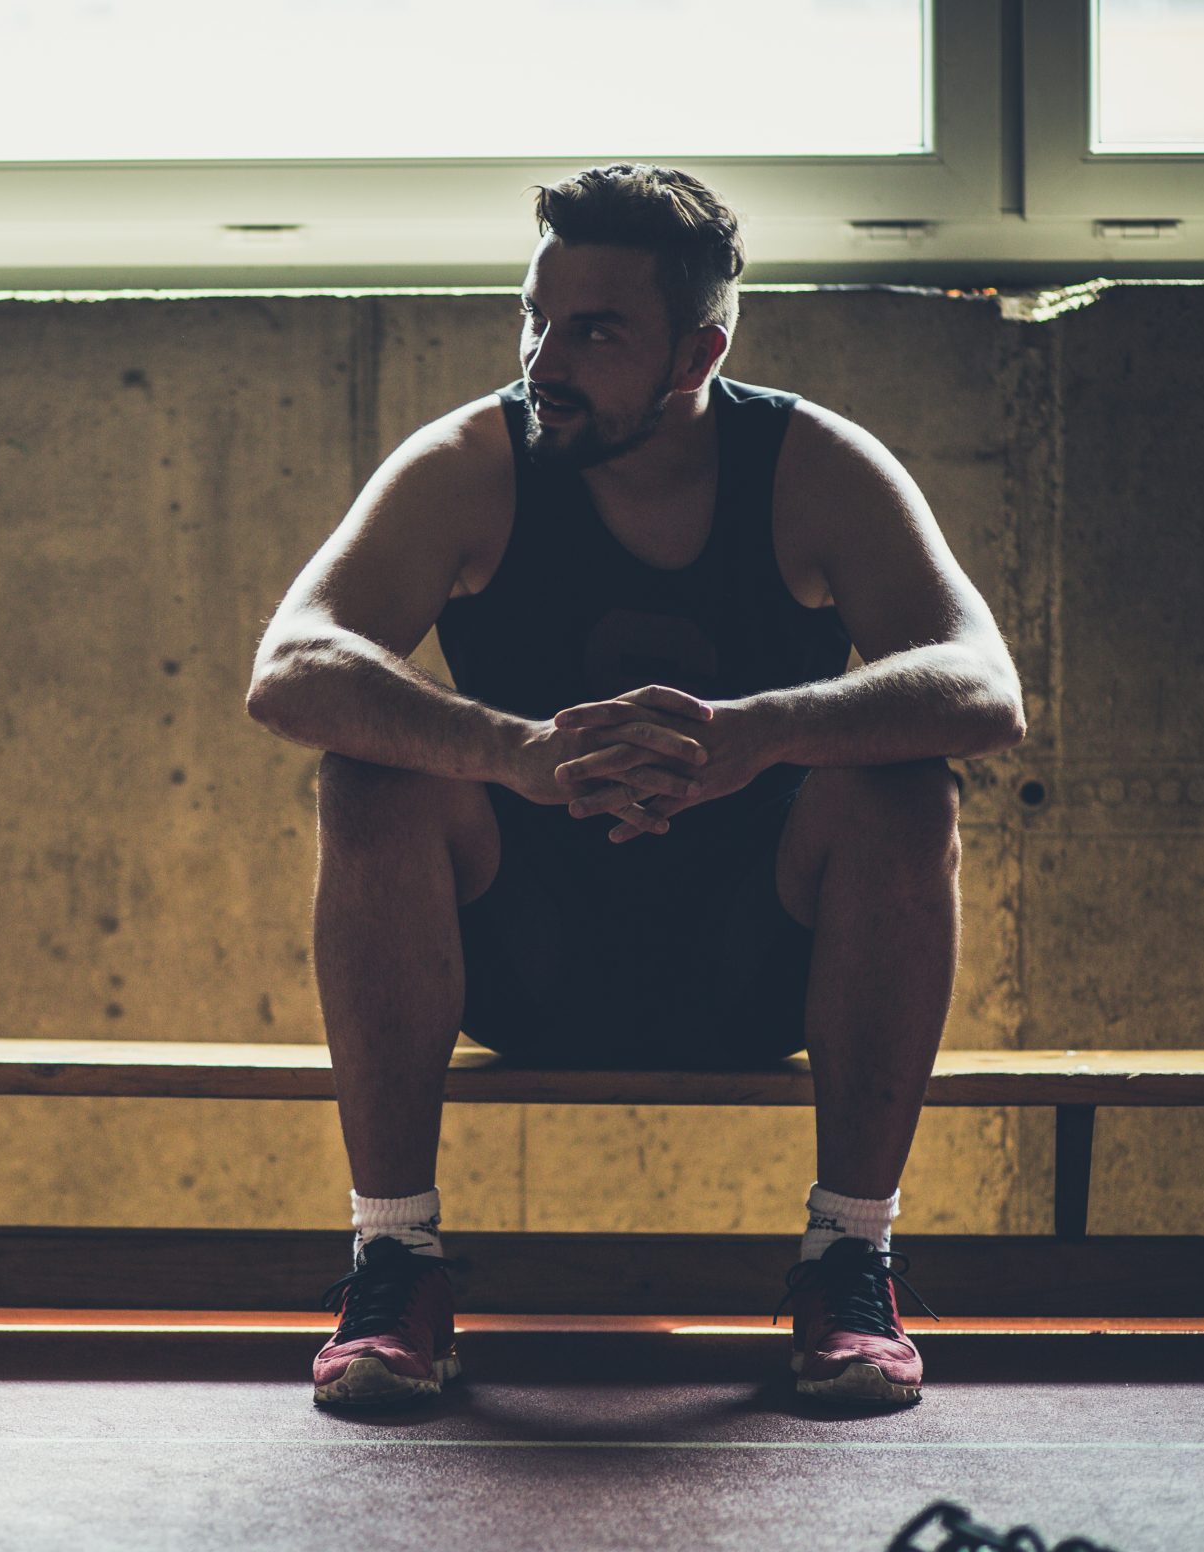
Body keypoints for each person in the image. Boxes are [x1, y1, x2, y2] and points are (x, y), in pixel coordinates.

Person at [245, 163, 1026, 1410]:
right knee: (372, 775)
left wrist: (761, 733)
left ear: (697, 350)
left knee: (902, 786)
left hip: (751, 960)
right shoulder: (473, 462)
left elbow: (984, 686)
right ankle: (393, 1263)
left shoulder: (810, 465)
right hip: (529, 954)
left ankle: (848, 1266)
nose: (547, 356)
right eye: (535, 318)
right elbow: (289, 666)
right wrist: (512, 753)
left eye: (595, 330)